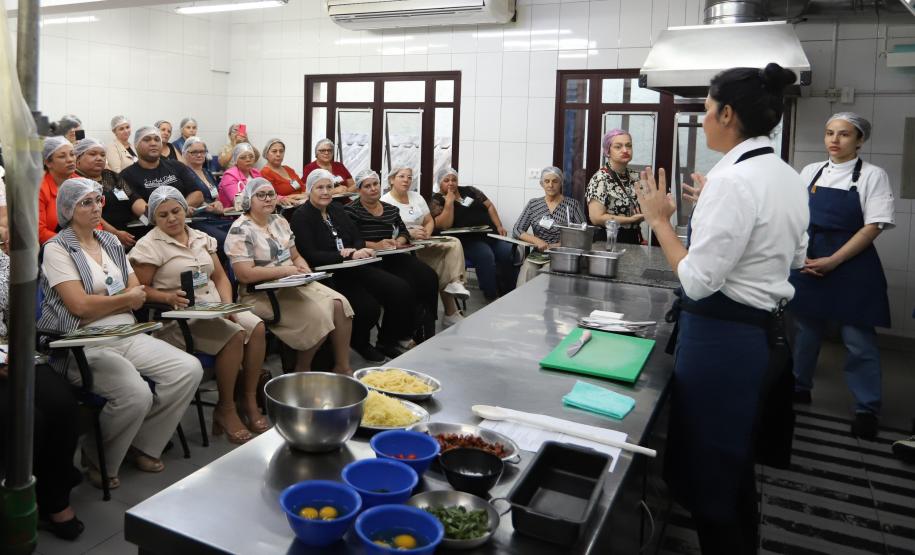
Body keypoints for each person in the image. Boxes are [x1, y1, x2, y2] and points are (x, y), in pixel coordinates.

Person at [635, 63, 807, 555]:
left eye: (707, 109)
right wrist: (716, 206)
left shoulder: (733, 182)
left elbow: (697, 279)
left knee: (711, 476)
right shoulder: (785, 175)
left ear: (727, 113)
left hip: (723, 342)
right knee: (732, 465)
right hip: (767, 335)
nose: (705, 118)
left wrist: (660, 220)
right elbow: (795, 256)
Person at [37, 178, 203, 489]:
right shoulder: (56, 249)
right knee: (134, 393)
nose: (96, 207)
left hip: (125, 330)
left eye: (98, 200)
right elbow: (80, 307)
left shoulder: (111, 243)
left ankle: (141, 444)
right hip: (82, 341)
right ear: (69, 209)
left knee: (187, 369)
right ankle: (98, 457)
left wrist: (120, 301)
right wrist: (124, 300)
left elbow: (136, 290)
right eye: (86, 202)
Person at [129, 186, 269, 442]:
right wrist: (166, 297)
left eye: (175, 211)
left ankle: (248, 399)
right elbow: (140, 289)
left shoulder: (200, 237)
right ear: (154, 219)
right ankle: (225, 409)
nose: (171, 219)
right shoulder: (149, 245)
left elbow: (220, 277)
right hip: (178, 318)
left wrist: (227, 306)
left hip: (214, 307)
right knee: (235, 335)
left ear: (184, 210)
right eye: (162, 215)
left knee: (256, 326)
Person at [788, 112, 895, 440]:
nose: (834, 140)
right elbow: (796, 215)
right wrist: (801, 252)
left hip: (852, 263)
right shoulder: (811, 172)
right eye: (829, 133)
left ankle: (866, 407)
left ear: (860, 140)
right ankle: (798, 386)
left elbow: (873, 226)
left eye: (844, 134)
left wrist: (834, 260)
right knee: (805, 330)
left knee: (857, 339)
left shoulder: (873, 175)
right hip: (810, 256)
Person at [225, 178, 354, 374]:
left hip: (293, 283)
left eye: (271, 194)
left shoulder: (280, 221)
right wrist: (286, 271)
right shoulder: (240, 229)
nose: (268, 199)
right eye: (261, 195)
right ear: (249, 200)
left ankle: (342, 367)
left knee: (341, 304)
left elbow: (295, 256)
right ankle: (302, 368)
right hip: (261, 293)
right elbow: (244, 274)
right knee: (318, 316)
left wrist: (304, 270)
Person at [0, 250, 84, 540]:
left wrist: (17, 346)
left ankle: (54, 498)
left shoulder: (3, 261)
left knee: (63, 405)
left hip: (9, 351)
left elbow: (18, 314)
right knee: (23, 417)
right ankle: (13, 502)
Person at [291, 170, 416, 361]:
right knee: (369, 307)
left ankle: (388, 341)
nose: (325, 192)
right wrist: (344, 255)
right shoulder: (302, 216)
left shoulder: (337, 209)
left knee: (399, 289)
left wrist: (355, 251)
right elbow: (310, 255)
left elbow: (357, 237)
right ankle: (360, 342)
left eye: (329, 187)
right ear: (309, 190)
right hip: (328, 273)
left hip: (352, 264)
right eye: (320, 188)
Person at [345, 170, 439, 340]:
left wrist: (400, 241)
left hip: (392, 255)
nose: (373, 188)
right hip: (367, 260)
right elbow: (352, 240)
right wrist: (376, 245)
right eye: (367, 186)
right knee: (401, 287)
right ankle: (390, 339)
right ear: (359, 190)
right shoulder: (350, 211)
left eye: (375, 184)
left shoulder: (390, 209)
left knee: (428, 276)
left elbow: (403, 231)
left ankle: (425, 323)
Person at [380, 167, 470, 327]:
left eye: (409, 177)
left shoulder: (416, 197)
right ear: (392, 179)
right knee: (443, 264)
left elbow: (429, 221)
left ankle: (456, 283)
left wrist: (427, 234)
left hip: (423, 241)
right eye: (402, 176)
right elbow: (385, 232)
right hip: (403, 247)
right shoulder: (385, 201)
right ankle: (450, 312)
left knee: (453, 242)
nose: (406, 180)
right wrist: (409, 234)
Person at [118, 127, 229, 251]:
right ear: (137, 145)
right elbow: (143, 209)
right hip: (153, 232)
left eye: (156, 139)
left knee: (226, 241)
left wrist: (182, 208)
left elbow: (197, 194)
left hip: (187, 226)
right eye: (147, 140)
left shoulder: (176, 166)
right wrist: (177, 211)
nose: (153, 143)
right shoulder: (126, 176)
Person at [430, 167, 516, 301]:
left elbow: (489, 206)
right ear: (439, 183)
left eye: (454, 179)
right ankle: (491, 295)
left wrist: (499, 225)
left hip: (489, 235)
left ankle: (510, 292)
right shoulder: (437, 200)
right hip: (467, 241)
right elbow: (442, 224)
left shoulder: (470, 190)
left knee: (509, 251)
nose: (451, 183)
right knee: (485, 255)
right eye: (446, 180)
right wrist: (449, 202)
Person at [513, 166, 587, 284]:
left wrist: (558, 245)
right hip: (538, 254)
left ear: (561, 183)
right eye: (547, 181)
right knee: (527, 271)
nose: (550, 185)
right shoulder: (534, 204)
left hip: (562, 255)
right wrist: (537, 241)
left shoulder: (572, 205)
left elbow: (583, 235)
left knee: (545, 276)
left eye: (555, 181)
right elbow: (517, 230)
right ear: (541, 184)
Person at [74, 138, 140, 248]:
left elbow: (132, 197)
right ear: (78, 158)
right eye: (93, 154)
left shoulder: (110, 176)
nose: (99, 158)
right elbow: (91, 213)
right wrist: (116, 234)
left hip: (128, 231)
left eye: (102, 154)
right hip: (99, 237)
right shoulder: (76, 180)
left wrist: (148, 216)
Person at [586, 129, 645, 244]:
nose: (625, 150)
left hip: (633, 236)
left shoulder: (636, 176)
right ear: (608, 151)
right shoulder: (600, 178)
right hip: (608, 239)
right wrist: (630, 220)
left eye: (629, 146)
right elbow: (596, 218)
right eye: (618, 147)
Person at [39, 136, 78, 244]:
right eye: (62, 156)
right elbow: (40, 232)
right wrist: (75, 244)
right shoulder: (39, 190)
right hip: (51, 247)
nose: (70, 159)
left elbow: (94, 220)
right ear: (48, 163)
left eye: (72, 154)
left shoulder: (80, 182)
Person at [260, 138, 308, 207]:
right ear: (266, 154)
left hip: (302, 203)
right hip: (285, 208)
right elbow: (271, 196)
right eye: (274, 151)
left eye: (281, 151)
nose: (278, 154)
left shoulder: (288, 169)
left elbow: (303, 188)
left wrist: (300, 195)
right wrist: (295, 197)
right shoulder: (265, 172)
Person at [218, 143, 263, 209]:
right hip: (232, 217)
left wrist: (280, 199)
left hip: (255, 212)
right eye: (243, 157)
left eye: (251, 156)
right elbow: (239, 203)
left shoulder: (256, 173)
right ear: (236, 160)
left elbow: (266, 191)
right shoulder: (229, 176)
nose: (248, 160)